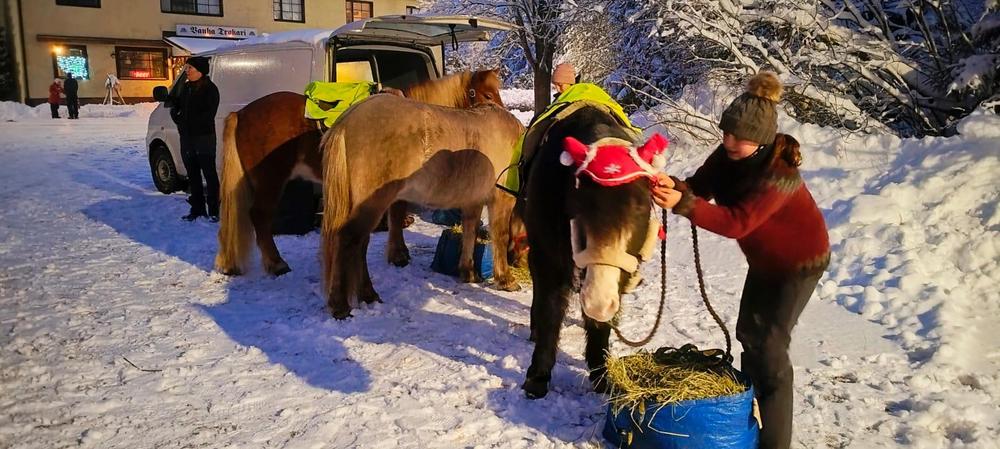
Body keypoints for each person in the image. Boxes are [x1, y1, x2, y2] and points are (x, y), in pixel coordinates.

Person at [651, 72, 830, 449]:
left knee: (770, 349)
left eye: (740, 136)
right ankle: (751, 416)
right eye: (727, 132)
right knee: (749, 334)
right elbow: (699, 187)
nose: (729, 141)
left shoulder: (779, 175)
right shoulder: (727, 155)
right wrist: (674, 187)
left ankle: (775, 442)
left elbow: (737, 222)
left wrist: (684, 205)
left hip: (799, 264)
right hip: (765, 260)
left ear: (761, 138)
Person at [170, 56, 220, 222]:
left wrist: (188, 121)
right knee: (193, 175)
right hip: (187, 139)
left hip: (204, 138)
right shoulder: (186, 88)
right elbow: (177, 107)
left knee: (209, 175)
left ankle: (214, 210)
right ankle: (197, 209)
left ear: (200, 71)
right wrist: (177, 116)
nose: (187, 71)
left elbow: (208, 115)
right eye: (186, 68)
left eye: (190, 68)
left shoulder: (210, 89)